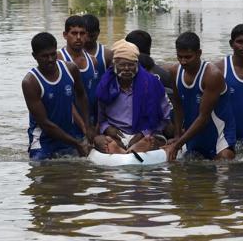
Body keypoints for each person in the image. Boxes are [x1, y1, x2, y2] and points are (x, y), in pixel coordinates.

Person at [163, 32, 236, 161]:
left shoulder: (212, 75)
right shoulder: (174, 72)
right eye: (179, 57)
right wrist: (177, 135)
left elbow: (204, 117)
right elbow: (177, 105)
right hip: (194, 135)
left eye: (188, 57)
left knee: (224, 162)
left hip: (219, 137)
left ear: (199, 53)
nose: (183, 61)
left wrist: (177, 144)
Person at [94, 39, 172, 154]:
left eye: (130, 65)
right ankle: (120, 148)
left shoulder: (152, 83)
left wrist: (143, 133)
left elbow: (164, 118)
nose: (126, 68)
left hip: (146, 132)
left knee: (153, 140)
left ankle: (131, 148)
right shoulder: (105, 85)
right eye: (122, 65)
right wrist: (107, 128)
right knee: (98, 140)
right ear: (114, 65)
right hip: (117, 134)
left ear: (137, 65)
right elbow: (101, 118)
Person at [22, 32, 91, 160]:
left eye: (53, 54)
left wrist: (87, 126)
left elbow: (81, 96)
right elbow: (44, 123)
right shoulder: (30, 82)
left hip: (68, 136)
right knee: (41, 171)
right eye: (44, 56)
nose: (50, 59)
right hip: (43, 141)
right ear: (34, 56)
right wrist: (76, 143)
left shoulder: (71, 69)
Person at [58, 16, 98, 127]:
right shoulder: (57, 59)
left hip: (87, 119)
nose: (79, 37)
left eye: (82, 33)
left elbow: (93, 94)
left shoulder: (93, 61)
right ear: (65, 35)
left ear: (86, 35)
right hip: (66, 121)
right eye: (74, 33)